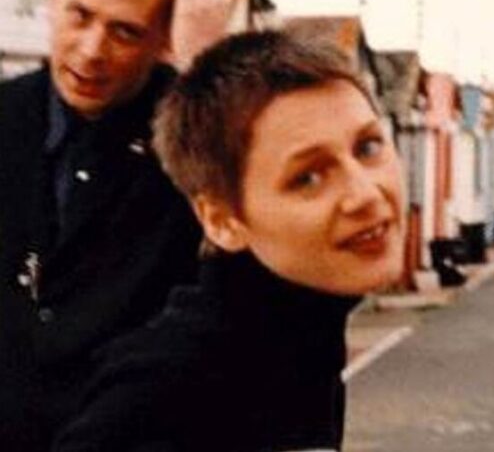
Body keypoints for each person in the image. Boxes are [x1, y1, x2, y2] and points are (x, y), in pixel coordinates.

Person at [53, 30, 406, 451]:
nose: (365, 193)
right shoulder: (168, 390)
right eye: (308, 177)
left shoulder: (300, 335)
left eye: (368, 147)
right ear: (220, 220)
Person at [0, 0, 229, 450]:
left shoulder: (198, 136)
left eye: (125, 31)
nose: (91, 50)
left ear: (164, 39)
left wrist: (206, 72)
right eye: (79, 15)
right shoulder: (7, 115)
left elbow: (242, 270)